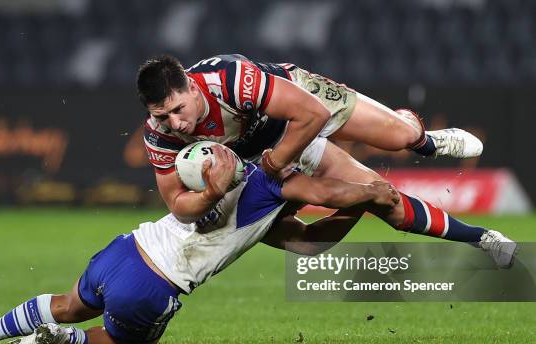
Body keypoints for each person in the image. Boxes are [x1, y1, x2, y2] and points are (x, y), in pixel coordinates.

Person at [0, 145, 399, 344]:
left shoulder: (244, 181)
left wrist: (359, 207)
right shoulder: (278, 182)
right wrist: (371, 193)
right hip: (153, 282)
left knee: (68, 304)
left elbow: (306, 242)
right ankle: (68, 342)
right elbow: (333, 197)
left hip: (123, 251)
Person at [137, 54, 512, 257]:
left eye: (178, 109)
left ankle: (422, 138)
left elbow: (311, 115)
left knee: (400, 136)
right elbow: (177, 204)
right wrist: (209, 194)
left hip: (299, 110)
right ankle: (482, 238)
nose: (176, 123)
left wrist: (277, 161)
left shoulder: (231, 79)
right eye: (162, 115)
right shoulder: (159, 135)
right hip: (258, 159)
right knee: (366, 213)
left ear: (190, 84)